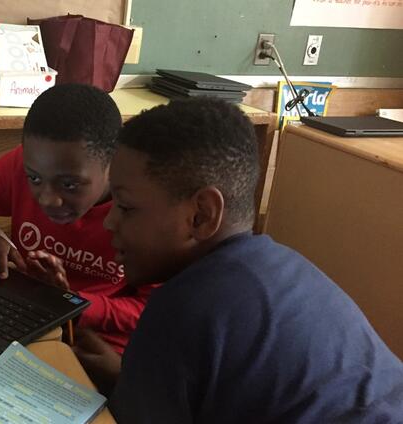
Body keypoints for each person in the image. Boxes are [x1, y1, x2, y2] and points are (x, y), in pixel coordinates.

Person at [73, 98, 403, 422]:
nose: (109, 222)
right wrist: (131, 377)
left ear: (201, 215)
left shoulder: (181, 310)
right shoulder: (287, 266)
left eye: (126, 207)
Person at [0, 83, 155, 353]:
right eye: (34, 178)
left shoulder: (146, 210)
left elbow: (150, 311)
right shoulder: (26, 166)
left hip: (95, 339)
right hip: (25, 314)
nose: (47, 199)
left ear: (113, 164)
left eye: (70, 185)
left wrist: (72, 303)